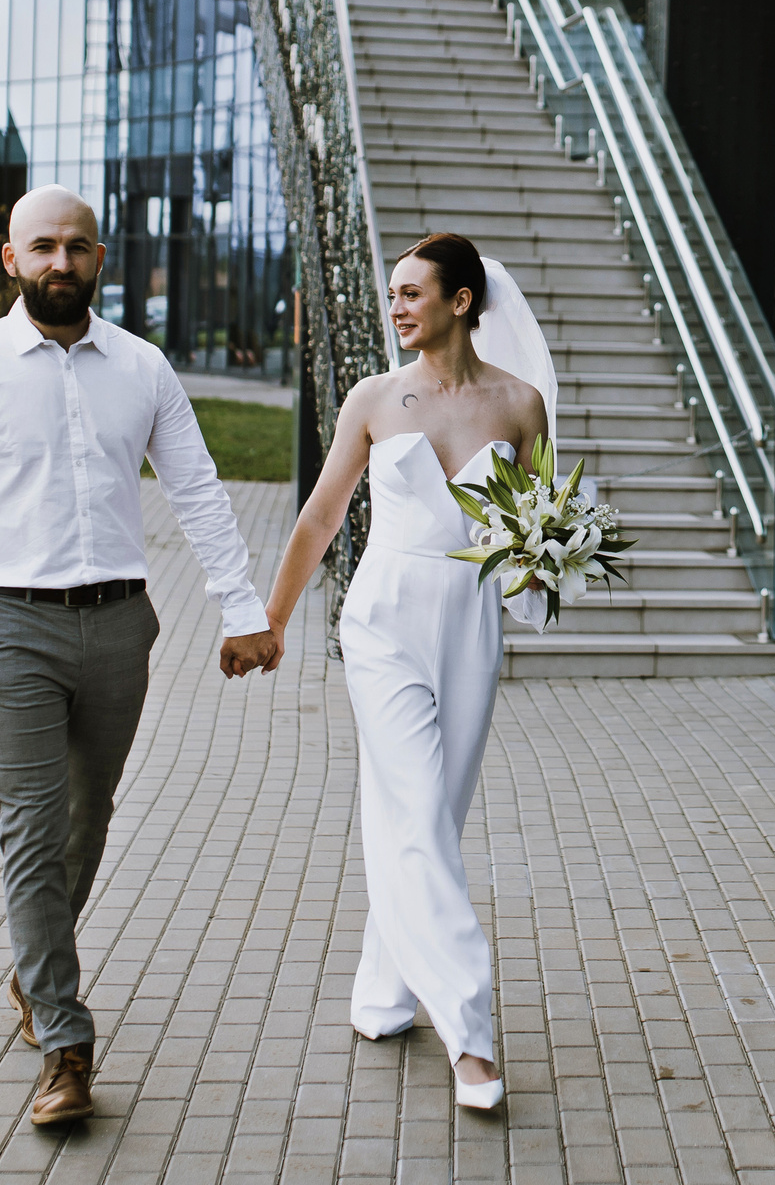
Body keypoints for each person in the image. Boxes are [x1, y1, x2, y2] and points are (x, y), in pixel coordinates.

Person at [0, 185, 276, 1127]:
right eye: (42, 247)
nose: (59, 262)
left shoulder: (142, 367)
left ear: (100, 257)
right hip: (10, 626)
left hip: (118, 625)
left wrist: (242, 607)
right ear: (11, 259)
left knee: (86, 817)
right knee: (31, 826)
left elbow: (197, 489)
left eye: (75, 246)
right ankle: (65, 1045)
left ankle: (35, 972)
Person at [237, 232, 557, 1113]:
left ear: (462, 300)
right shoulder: (375, 397)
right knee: (415, 809)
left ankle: (382, 993)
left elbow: (536, 529)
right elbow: (321, 515)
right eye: (393, 293)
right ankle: (471, 1032)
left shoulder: (522, 404)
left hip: (470, 622)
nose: (397, 306)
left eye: (413, 292)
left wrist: (548, 562)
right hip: (383, 620)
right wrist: (270, 619)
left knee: (431, 817)